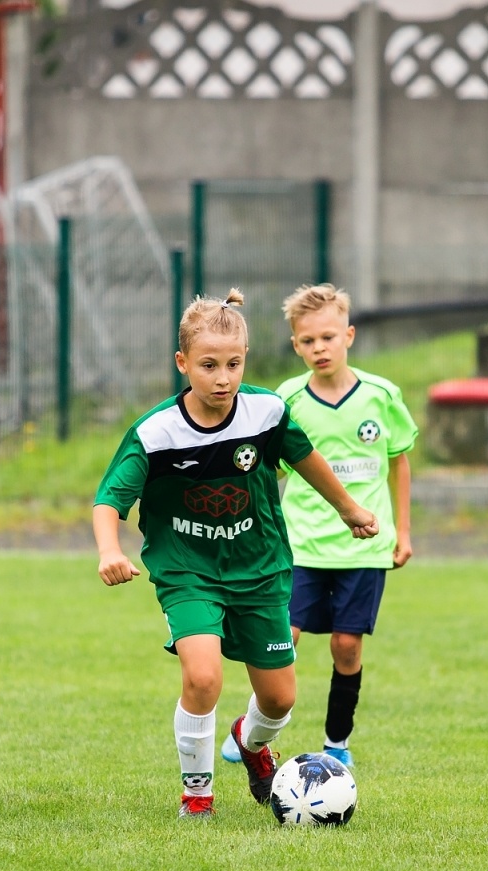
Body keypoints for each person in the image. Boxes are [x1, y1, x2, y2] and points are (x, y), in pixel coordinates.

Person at [93, 289, 379, 819]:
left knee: (279, 700)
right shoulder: (156, 433)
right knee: (202, 676)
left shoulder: (267, 412)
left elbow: (306, 457)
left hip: (260, 568)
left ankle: (250, 743)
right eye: (208, 366)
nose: (223, 378)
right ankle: (197, 796)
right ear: (182, 363)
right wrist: (110, 549)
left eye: (233, 364)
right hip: (187, 570)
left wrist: (348, 508)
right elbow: (109, 499)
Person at [220, 283, 416, 770]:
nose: (319, 348)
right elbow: (270, 472)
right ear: (295, 345)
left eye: (328, 337)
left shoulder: (381, 395)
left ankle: (337, 741)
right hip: (300, 545)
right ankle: (251, 731)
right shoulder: (286, 399)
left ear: (348, 335)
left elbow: (400, 462)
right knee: (278, 641)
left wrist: (404, 533)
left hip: (363, 548)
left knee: (346, 646)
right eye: (308, 341)